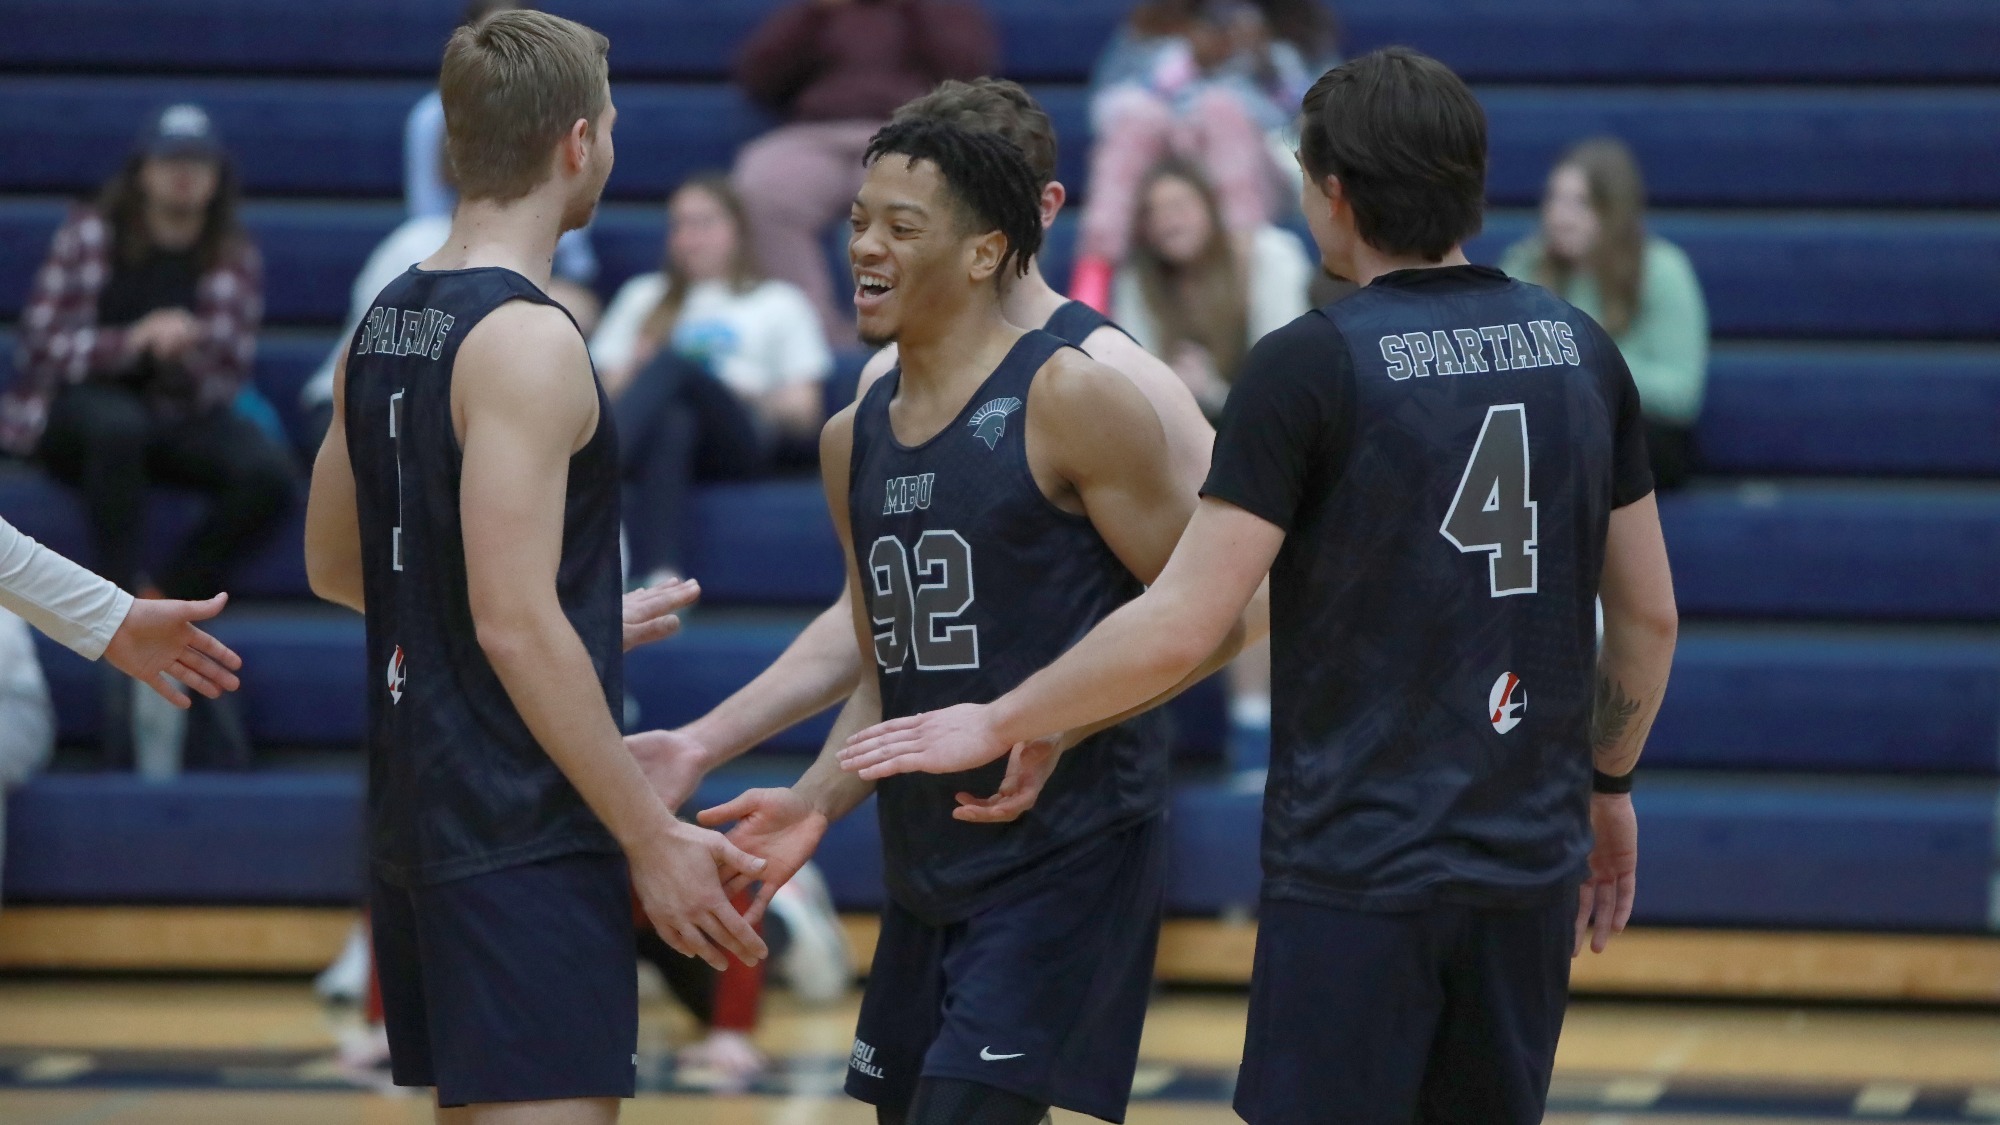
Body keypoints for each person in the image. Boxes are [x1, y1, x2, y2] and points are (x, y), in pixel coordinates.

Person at [840, 48, 1680, 1125]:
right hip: (1525, 858)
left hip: (1354, 863)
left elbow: (1187, 618)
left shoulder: (1310, 361)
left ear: (1332, 191)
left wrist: (1005, 716)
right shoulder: (1578, 347)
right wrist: (1606, 786)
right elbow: (1647, 618)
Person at [691, 116, 1259, 1125]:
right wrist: (816, 801)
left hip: (1067, 844)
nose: (864, 246)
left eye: (901, 227)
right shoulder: (847, 435)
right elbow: (887, 665)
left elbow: (1219, 613)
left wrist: (1055, 721)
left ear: (984, 250)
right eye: (859, 220)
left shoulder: (1075, 395)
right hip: (929, 857)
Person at [302, 12, 768, 1120]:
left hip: (416, 817)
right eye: (607, 126)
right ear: (577, 142)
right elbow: (511, 623)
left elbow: (337, 565)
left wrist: (578, 620)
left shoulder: (386, 318)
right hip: (519, 825)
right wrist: (648, 835)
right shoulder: (530, 336)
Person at [620, 77, 1216, 827]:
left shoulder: (1119, 378)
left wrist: (1058, 720)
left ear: (1033, 214)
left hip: (1076, 815)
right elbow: (879, 618)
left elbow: (1231, 603)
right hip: (927, 819)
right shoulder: (882, 383)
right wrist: (702, 742)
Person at [2, 102, 293, 769]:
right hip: (80, 413)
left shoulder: (231, 252)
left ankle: (161, 593)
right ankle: (115, 596)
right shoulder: (91, 233)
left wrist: (182, 354)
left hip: (174, 410)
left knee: (266, 470)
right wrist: (132, 342)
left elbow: (223, 381)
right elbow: (42, 353)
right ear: (144, 172)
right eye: (171, 162)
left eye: (197, 164)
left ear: (217, 178)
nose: (184, 177)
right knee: (116, 428)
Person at [591, 174, 834, 583]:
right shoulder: (643, 296)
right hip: (659, 437)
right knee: (675, 420)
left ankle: (590, 473)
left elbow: (804, 413)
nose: (689, 237)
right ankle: (661, 574)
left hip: (741, 434)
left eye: (704, 223)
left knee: (677, 365)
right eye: (680, 225)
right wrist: (637, 368)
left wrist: (749, 393)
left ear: (737, 230)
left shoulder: (777, 301)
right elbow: (605, 391)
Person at [730, 0, 996, 343]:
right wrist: (815, 13)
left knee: (918, 194)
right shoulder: (819, 11)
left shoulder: (938, 8)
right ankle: (810, 336)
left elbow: (968, 69)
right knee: (762, 185)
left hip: (908, 130)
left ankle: (903, 326)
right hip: (816, 134)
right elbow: (759, 77)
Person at [1070, 0, 1331, 310]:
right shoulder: (1155, 38)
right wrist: (1190, 67)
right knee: (1137, 121)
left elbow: (1327, 117)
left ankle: (1241, 287)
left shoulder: (1288, 45)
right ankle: (1092, 282)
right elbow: (1105, 111)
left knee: (1219, 109)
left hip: (1263, 165)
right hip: (1172, 162)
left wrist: (1266, 69)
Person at [1501, 137, 1709, 489]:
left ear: (1614, 210)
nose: (1559, 217)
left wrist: (1593, 364)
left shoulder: (1663, 270)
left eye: (1580, 203)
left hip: (1640, 431)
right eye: (1554, 199)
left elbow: (1682, 395)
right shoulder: (1525, 264)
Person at [406, 0, 603, 335]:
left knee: (568, 311)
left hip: (545, 266)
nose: (508, 54)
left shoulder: (563, 117)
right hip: (456, 258)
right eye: (494, 42)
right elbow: (425, 220)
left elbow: (575, 251)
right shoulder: (431, 118)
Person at [1114, 158, 1311, 420]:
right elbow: (1134, 377)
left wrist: (1212, 392)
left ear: (1210, 206)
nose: (1167, 220)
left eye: (1179, 206)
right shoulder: (1136, 279)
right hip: (1175, 429)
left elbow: (1288, 377)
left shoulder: (1269, 256)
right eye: (1152, 212)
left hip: (1271, 424)